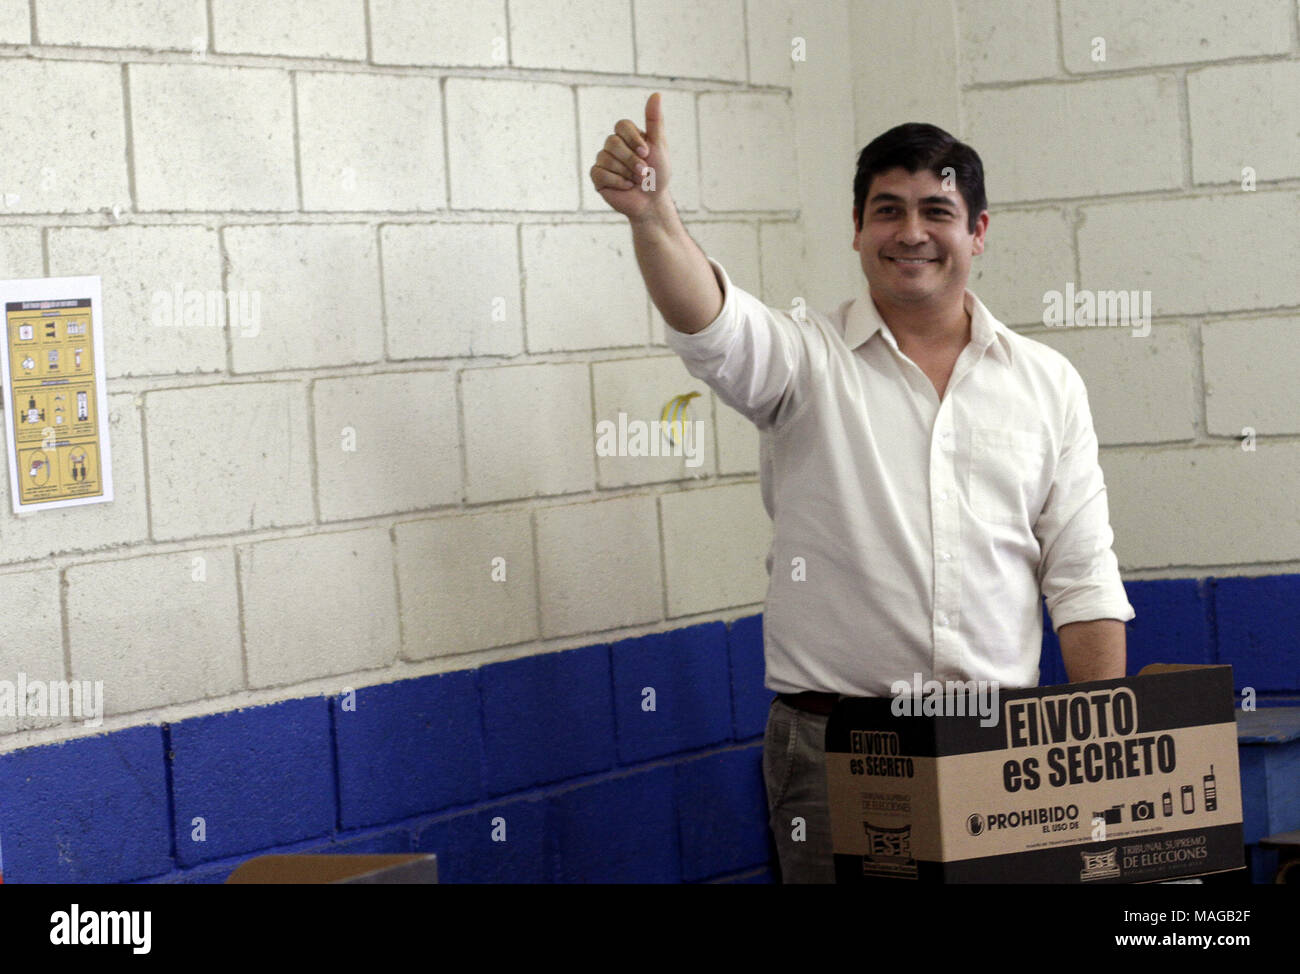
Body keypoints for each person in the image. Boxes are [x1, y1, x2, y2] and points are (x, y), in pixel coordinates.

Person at [589, 93, 1134, 883]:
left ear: (978, 232)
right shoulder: (804, 362)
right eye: (888, 210)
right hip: (832, 750)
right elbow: (712, 323)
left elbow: (1083, 575)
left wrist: (1100, 746)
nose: (911, 232)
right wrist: (652, 215)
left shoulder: (1047, 384)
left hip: (999, 748)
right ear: (856, 229)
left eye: (936, 210)